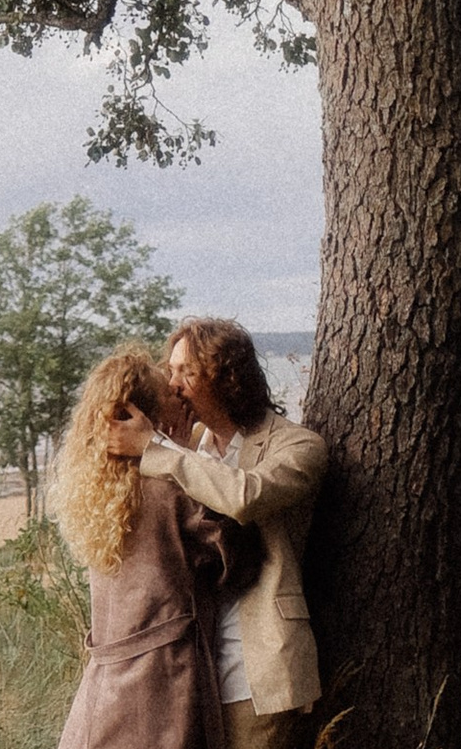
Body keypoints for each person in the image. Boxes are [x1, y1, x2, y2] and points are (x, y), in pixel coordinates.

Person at [109, 318, 328, 749]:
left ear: (227, 379)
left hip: (258, 670)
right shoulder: (187, 445)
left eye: (185, 373)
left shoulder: (299, 447)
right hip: (192, 666)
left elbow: (245, 496)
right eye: (170, 372)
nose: (172, 386)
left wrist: (158, 450)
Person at [53, 343, 241, 749]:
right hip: (163, 677)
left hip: (106, 680)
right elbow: (240, 558)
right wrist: (178, 458)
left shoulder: (96, 493)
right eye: (171, 395)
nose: (181, 396)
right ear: (145, 417)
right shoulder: (169, 493)